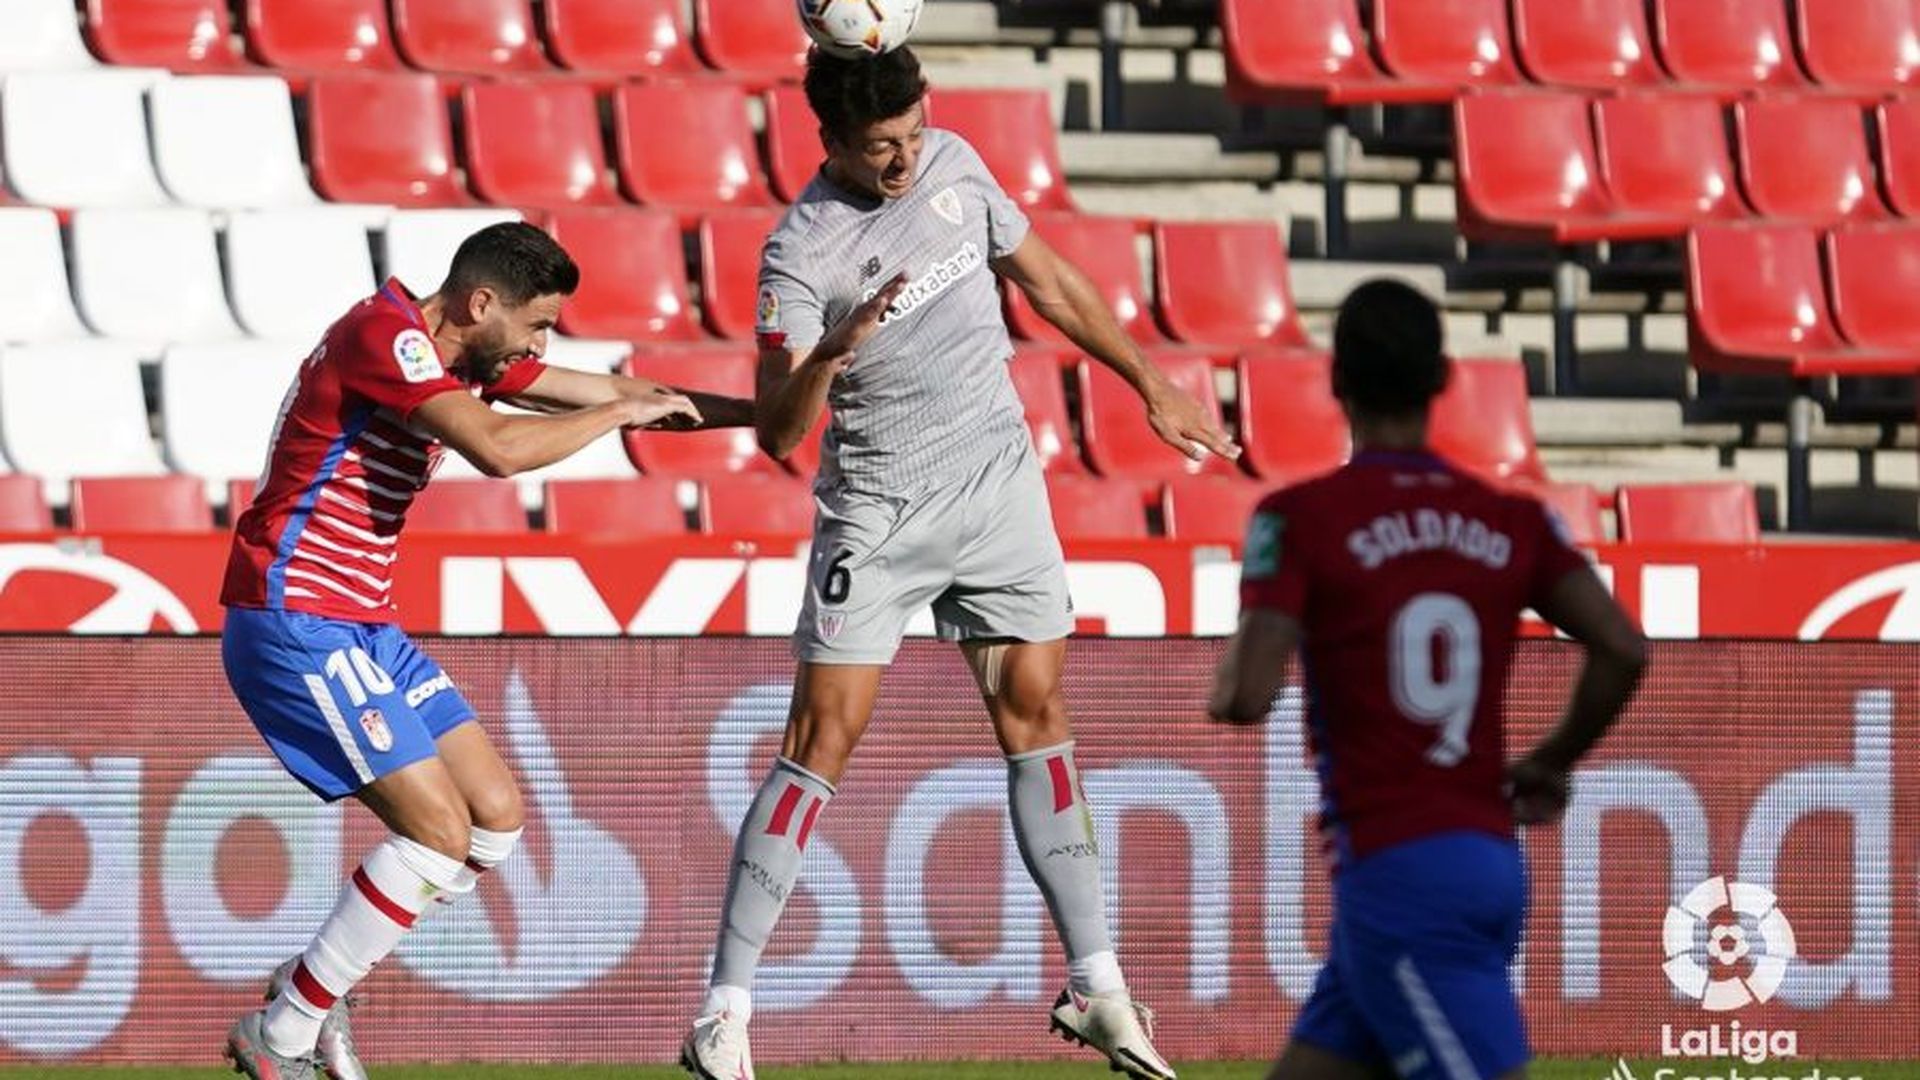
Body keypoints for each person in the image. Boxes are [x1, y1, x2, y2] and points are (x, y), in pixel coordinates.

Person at [678, 45, 1237, 1080]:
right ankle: (726, 1009)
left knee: (1038, 711)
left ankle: (1098, 985)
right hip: (880, 514)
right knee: (821, 739)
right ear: (833, 142)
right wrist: (834, 351)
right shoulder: (799, 252)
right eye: (883, 147)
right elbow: (775, 433)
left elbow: (1053, 285)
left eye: (914, 134)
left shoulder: (959, 167)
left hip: (997, 491)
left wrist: (1151, 385)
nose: (904, 159)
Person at [220, 222, 754, 1080]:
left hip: (364, 626)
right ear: (480, 304)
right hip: (295, 616)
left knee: (493, 822)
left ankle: (310, 985)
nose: (543, 345)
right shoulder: (385, 337)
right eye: (538, 325)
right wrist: (618, 414)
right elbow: (501, 450)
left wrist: (771, 412)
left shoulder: (461, 359)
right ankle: (281, 1035)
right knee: (434, 835)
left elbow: (633, 389)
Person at [1208, 281, 1648, 1080]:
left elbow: (1245, 698)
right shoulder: (1512, 518)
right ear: (1444, 379)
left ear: (1335, 381)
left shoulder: (1300, 517)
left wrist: (1236, 661)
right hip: (1483, 853)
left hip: (1397, 876)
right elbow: (1623, 648)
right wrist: (1552, 761)